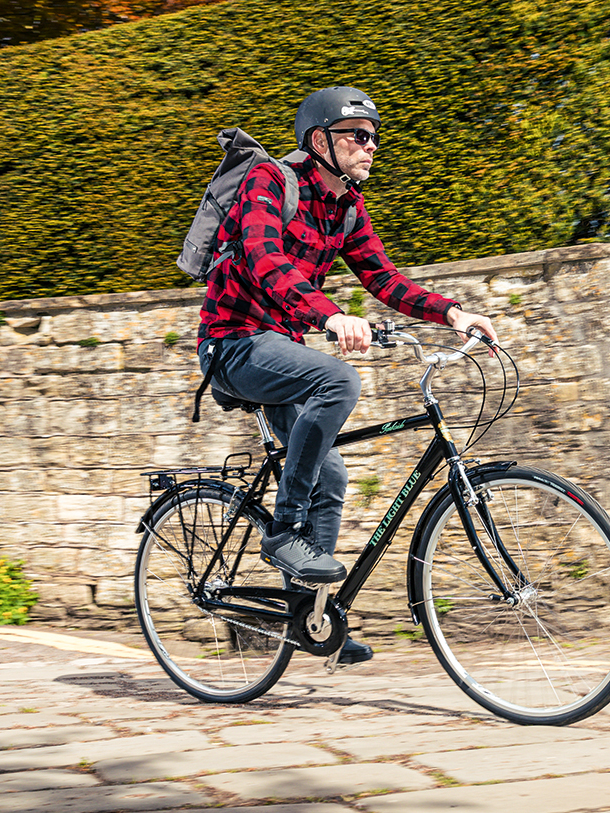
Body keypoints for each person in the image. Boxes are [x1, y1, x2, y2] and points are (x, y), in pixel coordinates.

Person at [196, 85, 498, 665]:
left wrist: (452, 313)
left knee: (329, 478)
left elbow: (383, 278)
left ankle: (309, 619)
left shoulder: (346, 208)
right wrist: (330, 315)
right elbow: (265, 261)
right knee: (338, 381)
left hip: (278, 346)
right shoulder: (268, 183)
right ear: (320, 141)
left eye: (374, 137)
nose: (370, 146)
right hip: (231, 344)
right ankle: (284, 533)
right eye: (358, 135)